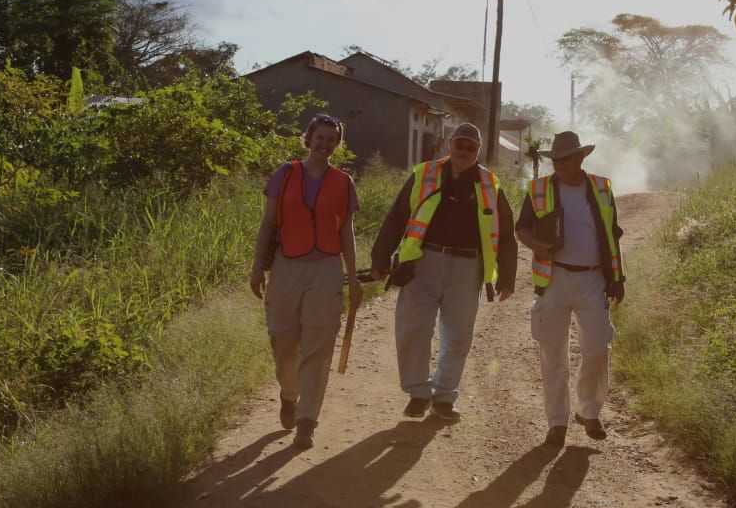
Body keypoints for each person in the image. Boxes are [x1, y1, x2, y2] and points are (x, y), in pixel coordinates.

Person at [369, 122, 517, 422]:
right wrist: (380, 258)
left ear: (478, 151)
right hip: (423, 262)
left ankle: (445, 397)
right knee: (413, 327)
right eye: (460, 145)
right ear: (450, 144)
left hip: (467, 266)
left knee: (459, 336)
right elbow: (397, 217)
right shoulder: (424, 174)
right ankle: (418, 393)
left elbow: (506, 233)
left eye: (470, 148)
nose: (464, 152)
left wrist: (507, 276)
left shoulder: (490, 184)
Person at [249, 114, 361, 450]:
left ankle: (307, 420)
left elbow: (346, 232)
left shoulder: (344, 182)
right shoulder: (285, 174)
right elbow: (268, 224)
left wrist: (353, 278)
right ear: (308, 138)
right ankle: (289, 393)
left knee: (319, 343)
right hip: (286, 265)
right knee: (283, 339)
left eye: (331, 139)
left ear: (337, 145)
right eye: (320, 137)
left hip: (326, 268)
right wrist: (257, 269)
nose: (325, 144)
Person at [515, 131, 624, 447]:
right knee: (553, 354)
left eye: (565, 159)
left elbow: (612, 237)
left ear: (580, 158)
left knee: (597, 349)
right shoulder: (538, 189)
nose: (559, 164)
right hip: (554, 279)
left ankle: (589, 411)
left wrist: (618, 279)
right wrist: (536, 245)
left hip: (593, 280)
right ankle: (557, 422)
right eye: (555, 159)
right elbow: (521, 227)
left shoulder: (602, 188)